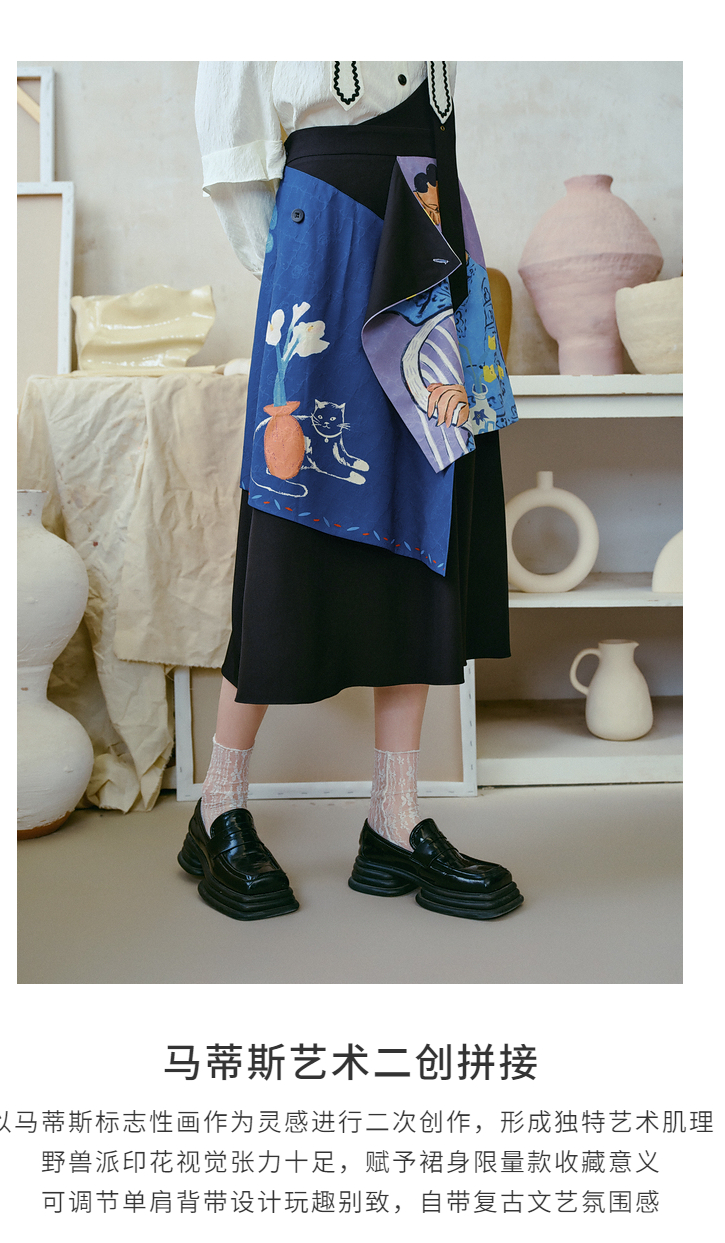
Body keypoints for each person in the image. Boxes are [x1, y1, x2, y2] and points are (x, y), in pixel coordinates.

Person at [178, 61, 524, 922]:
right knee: (293, 511)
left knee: (424, 505)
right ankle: (218, 801)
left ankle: (393, 818)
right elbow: (234, 142)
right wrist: (298, 266)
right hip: (326, 232)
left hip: (431, 215)